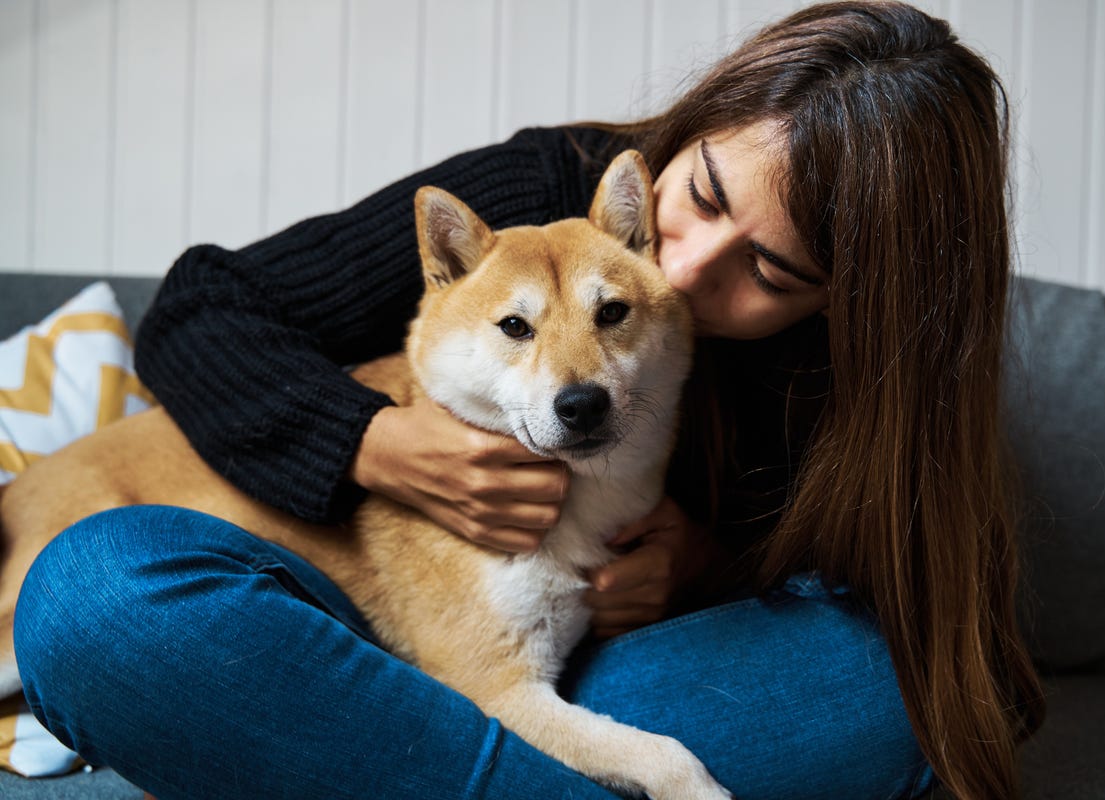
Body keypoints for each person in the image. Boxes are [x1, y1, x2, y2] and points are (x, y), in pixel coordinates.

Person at [13, 2, 1045, 798]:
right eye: (704, 196)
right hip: (316, 627)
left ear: (851, 304)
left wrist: (701, 565)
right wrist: (372, 442)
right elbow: (200, 309)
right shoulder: (534, 201)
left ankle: (355, 757)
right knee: (96, 595)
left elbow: (938, 614)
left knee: (904, 690)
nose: (676, 275)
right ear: (704, 122)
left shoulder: (864, 383)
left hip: (578, 680)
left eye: (769, 271)